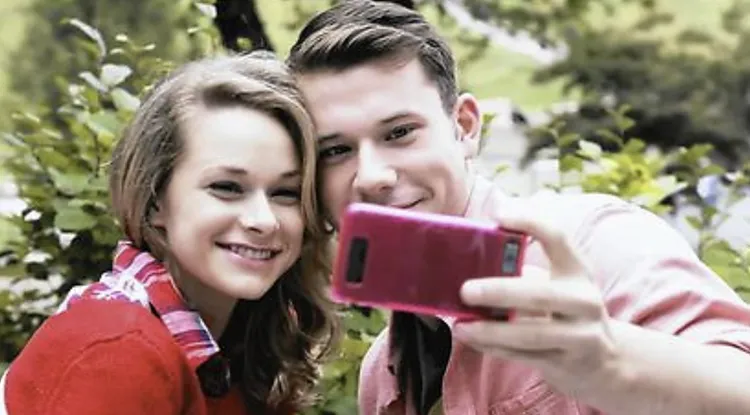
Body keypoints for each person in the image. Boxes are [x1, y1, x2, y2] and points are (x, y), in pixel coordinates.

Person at [286, 1, 750, 414]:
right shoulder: (383, 378)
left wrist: (607, 360)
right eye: (335, 151)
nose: (372, 175)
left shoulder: (593, 241)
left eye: (400, 132)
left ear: (465, 127)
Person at [0, 52, 337, 415]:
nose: (264, 220)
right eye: (227, 187)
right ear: (155, 199)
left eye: (286, 193)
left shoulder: (230, 347)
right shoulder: (115, 352)